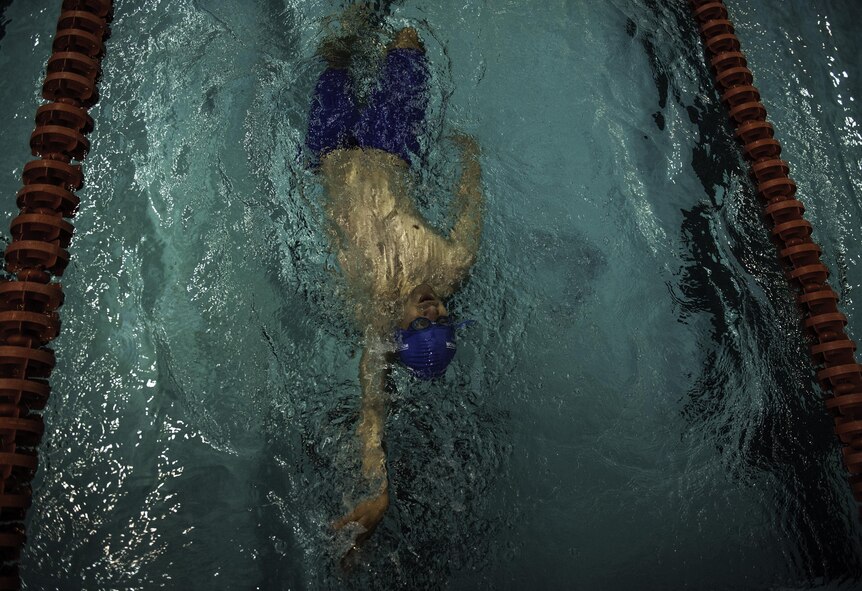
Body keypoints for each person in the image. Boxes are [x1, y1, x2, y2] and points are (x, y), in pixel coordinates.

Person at [305, 24, 484, 553]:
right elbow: (471, 209)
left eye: (421, 323)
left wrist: (379, 490)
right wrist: (470, 160)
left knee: (334, 56)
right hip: (391, 144)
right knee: (407, 41)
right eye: (442, 318)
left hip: (328, 157)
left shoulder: (376, 317)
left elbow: (371, 410)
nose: (431, 309)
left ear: (399, 333)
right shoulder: (450, 264)